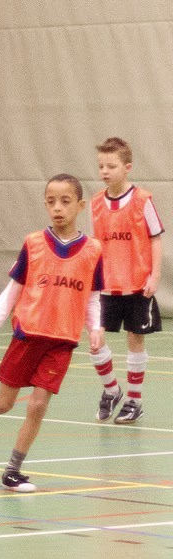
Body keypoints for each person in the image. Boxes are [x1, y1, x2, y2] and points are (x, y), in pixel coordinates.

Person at [0, 174, 105, 493]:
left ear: (80, 206)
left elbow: (93, 297)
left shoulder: (93, 251)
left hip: (61, 342)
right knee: (4, 403)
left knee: (38, 404)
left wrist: (96, 328)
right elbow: (13, 290)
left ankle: (13, 470)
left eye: (65, 201)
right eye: (51, 202)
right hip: (27, 335)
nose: (57, 208)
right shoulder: (33, 244)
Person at [89, 137, 163, 425]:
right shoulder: (96, 203)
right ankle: (112, 390)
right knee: (95, 341)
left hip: (136, 284)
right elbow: (96, 243)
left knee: (135, 340)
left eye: (111, 166)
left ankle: (134, 400)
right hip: (106, 285)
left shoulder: (142, 200)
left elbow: (155, 239)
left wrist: (155, 275)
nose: (105, 171)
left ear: (127, 167)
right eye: (101, 166)